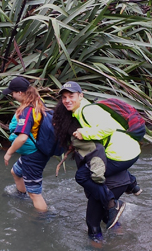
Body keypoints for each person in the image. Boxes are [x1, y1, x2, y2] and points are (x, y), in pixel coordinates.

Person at [56, 81, 142, 241]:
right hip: (128, 151)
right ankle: (131, 186)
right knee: (89, 173)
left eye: (71, 96)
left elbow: (108, 128)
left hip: (121, 154)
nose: (67, 100)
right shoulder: (80, 111)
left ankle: (112, 204)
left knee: (82, 176)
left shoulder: (88, 110)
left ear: (81, 96)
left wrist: (85, 133)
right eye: (64, 97)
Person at [2, 76, 57, 212]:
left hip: (34, 155)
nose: (12, 96)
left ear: (20, 93)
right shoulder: (38, 101)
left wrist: (9, 153)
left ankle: (43, 218)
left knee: (35, 193)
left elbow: (22, 137)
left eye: (12, 93)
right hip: (34, 152)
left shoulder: (28, 111)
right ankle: (22, 196)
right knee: (16, 172)